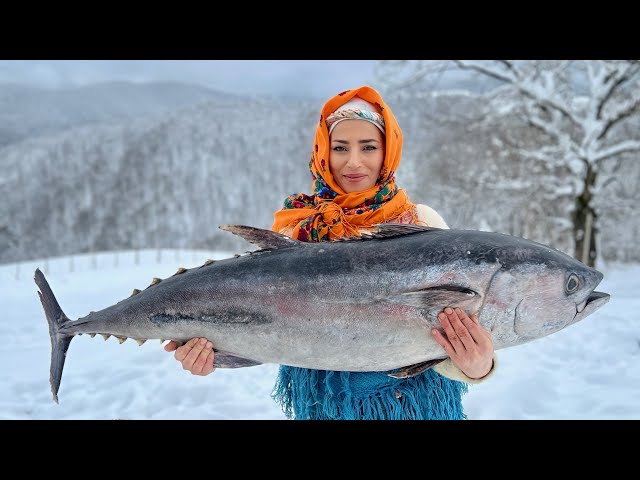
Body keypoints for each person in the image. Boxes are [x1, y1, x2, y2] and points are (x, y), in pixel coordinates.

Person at [164, 85, 497, 420]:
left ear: (388, 150)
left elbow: (462, 326)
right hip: (325, 408)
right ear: (323, 152)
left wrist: (479, 366)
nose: (354, 162)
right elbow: (271, 326)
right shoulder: (296, 232)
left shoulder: (423, 223)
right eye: (340, 148)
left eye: (368, 147)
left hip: (415, 407)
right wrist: (215, 353)